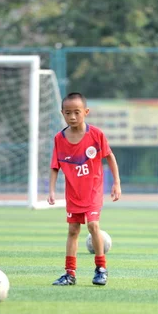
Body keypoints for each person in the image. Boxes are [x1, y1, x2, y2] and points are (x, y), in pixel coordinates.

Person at [47, 92, 121, 286]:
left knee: (93, 225)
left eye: (77, 112)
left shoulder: (96, 135)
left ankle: (101, 269)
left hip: (93, 191)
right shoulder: (59, 139)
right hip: (74, 193)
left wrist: (116, 183)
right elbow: (55, 166)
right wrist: (52, 191)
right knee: (73, 230)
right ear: (62, 113)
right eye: (68, 113)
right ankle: (70, 274)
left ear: (86, 112)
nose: (72, 117)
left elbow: (110, 157)